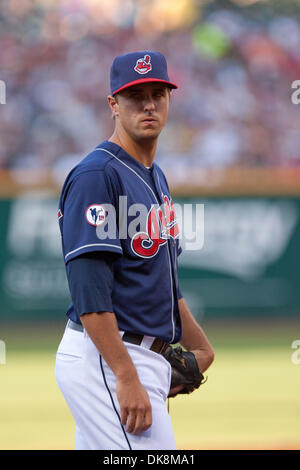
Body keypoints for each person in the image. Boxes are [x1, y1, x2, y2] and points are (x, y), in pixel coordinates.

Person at [55, 50, 214, 450]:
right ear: (113, 104)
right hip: (109, 359)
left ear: (169, 99)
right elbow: (90, 292)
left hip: (136, 358)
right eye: (134, 95)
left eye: (157, 93)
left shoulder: (153, 175)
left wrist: (200, 346)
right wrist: (126, 376)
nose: (148, 104)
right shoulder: (97, 175)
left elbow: (163, 282)